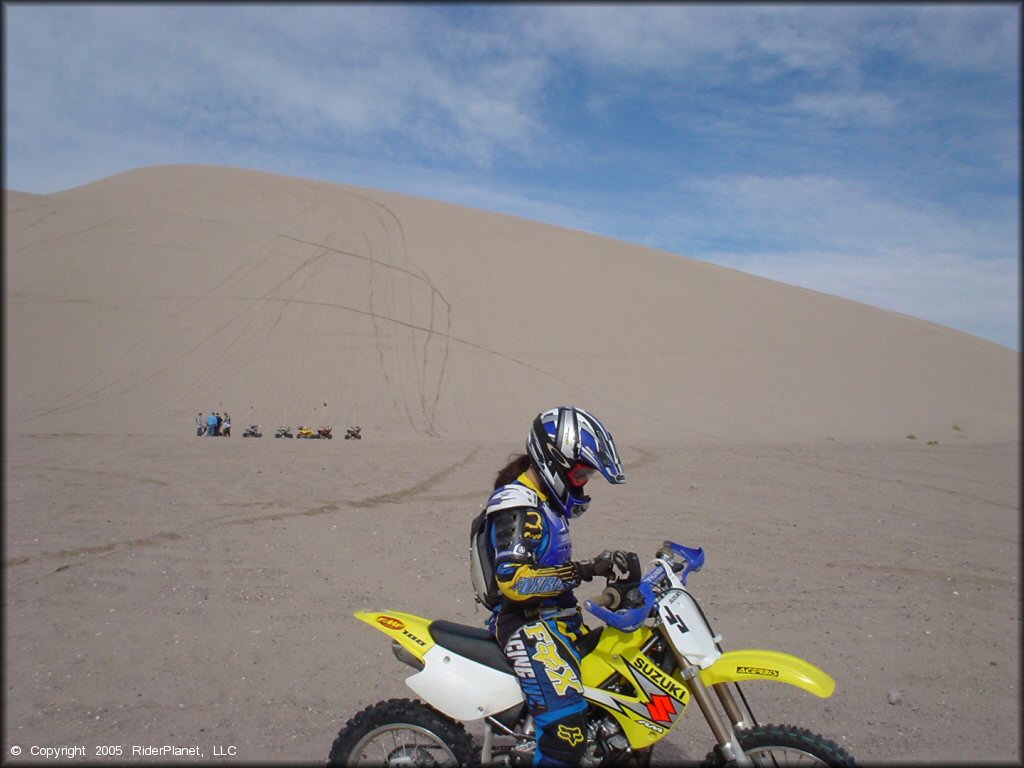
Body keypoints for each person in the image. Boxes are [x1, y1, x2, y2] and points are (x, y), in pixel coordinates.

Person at [481, 406, 627, 766]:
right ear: (553, 461)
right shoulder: (517, 505)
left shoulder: (543, 500)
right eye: (580, 472)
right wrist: (583, 570)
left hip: (555, 619)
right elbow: (514, 582)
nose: (584, 482)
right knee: (567, 733)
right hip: (526, 623)